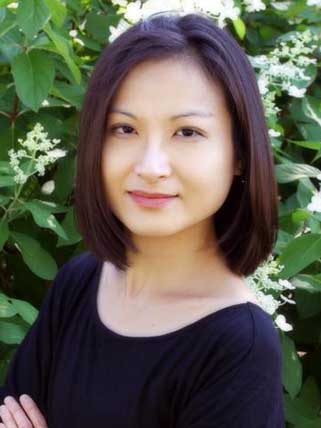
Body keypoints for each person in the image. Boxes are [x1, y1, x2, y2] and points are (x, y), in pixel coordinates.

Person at [0, 10, 284, 428]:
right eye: (124, 129)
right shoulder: (81, 282)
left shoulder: (239, 348)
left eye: (187, 132)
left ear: (239, 153)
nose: (151, 166)